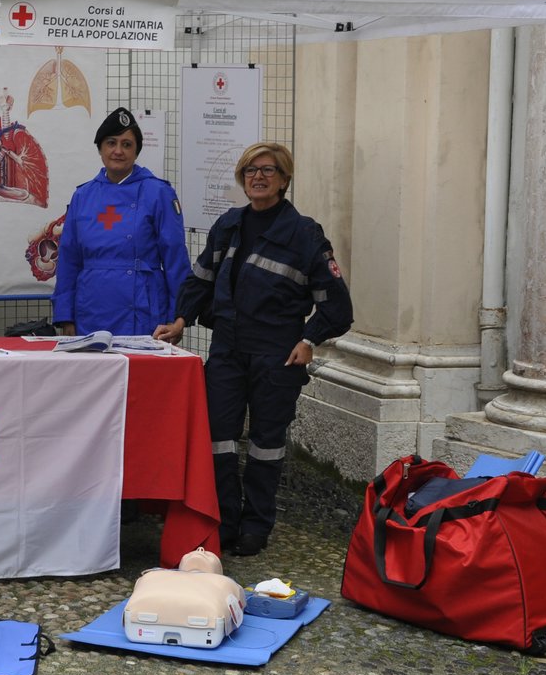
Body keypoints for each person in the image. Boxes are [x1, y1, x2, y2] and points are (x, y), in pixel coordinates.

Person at [154, 142, 352, 558]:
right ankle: (224, 522)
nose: (258, 177)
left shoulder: (304, 234)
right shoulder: (228, 225)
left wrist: (308, 340)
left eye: (268, 170)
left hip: (276, 353)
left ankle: (256, 525)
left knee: (266, 443)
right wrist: (180, 320)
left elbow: (338, 306)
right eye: (250, 171)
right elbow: (200, 281)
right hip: (227, 349)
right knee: (217, 439)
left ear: (284, 180)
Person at [52, 108, 190, 336]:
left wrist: (180, 317)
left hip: (143, 312)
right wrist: (65, 315)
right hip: (90, 311)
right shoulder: (82, 196)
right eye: (111, 143)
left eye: (127, 144)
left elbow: (175, 258)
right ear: (100, 148)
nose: (118, 151)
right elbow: (69, 259)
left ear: (136, 151)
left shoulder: (158, 193)